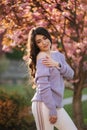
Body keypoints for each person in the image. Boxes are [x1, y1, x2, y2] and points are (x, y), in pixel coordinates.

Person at [26, 26, 78, 130]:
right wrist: (52, 110)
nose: (44, 43)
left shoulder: (58, 56)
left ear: (49, 37)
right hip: (43, 104)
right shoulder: (41, 58)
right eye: (39, 42)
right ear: (36, 45)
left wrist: (57, 64)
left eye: (45, 38)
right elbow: (43, 86)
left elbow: (71, 74)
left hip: (56, 105)